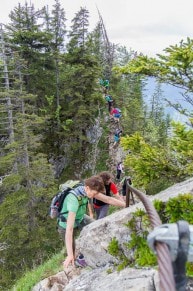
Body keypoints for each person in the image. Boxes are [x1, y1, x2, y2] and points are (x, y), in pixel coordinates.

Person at [59, 175, 125, 269]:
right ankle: (74, 261)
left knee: (97, 228)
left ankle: (87, 254)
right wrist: (70, 255)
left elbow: (108, 199)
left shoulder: (89, 189)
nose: (94, 196)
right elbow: (69, 229)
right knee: (72, 254)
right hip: (65, 224)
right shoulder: (73, 199)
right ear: (87, 188)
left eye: (95, 194)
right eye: (93, 194)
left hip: (80, 217)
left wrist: (126, 205)